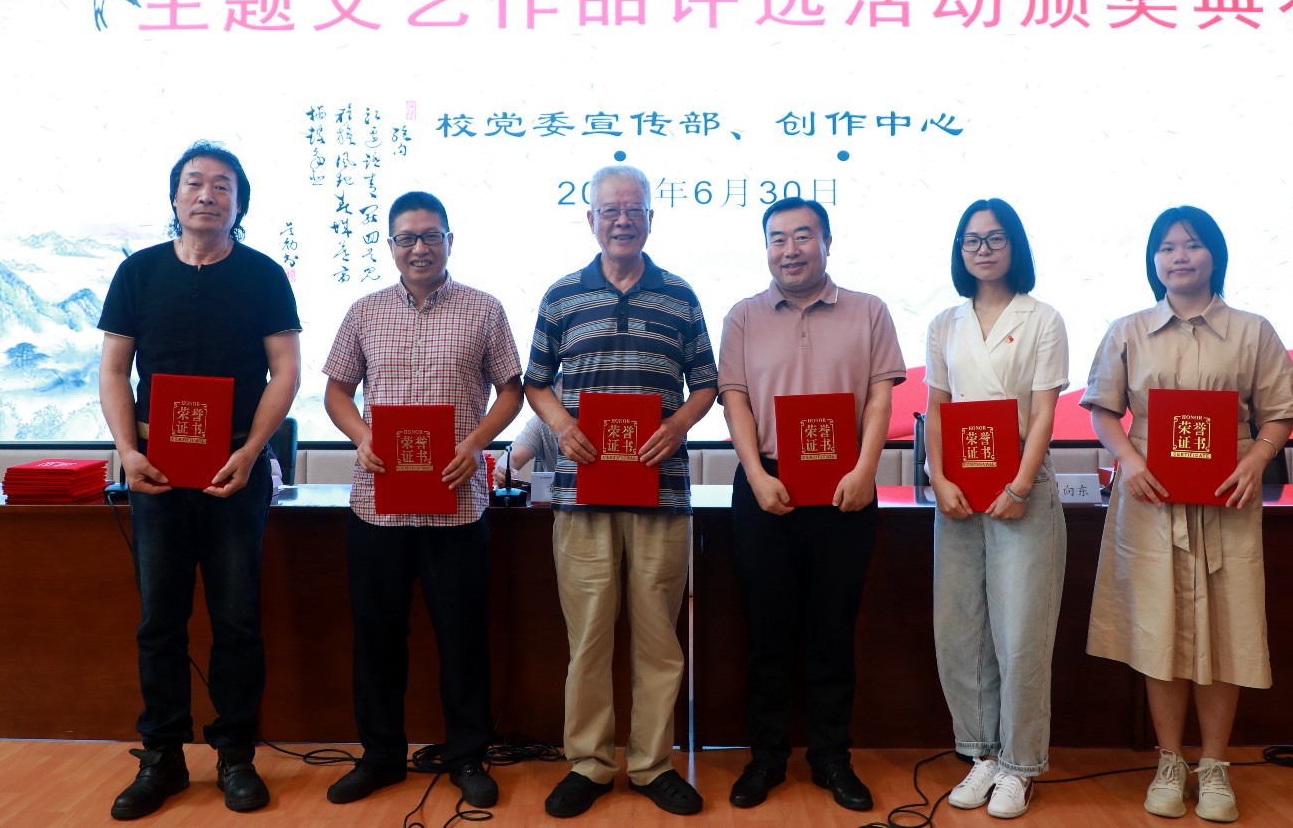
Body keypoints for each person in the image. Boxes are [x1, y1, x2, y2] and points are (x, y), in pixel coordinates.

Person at [1082, 206, 1293, 823]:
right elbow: (1102, 408)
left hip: (1226, 496)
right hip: (1151, 496)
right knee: (1159, 625)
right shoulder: (1128, 329)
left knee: (1225, 626)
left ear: (1215, 255)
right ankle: (1169, 760)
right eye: (1166, 247)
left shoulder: (1252, 330)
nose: (1178, 257)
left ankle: (1214, 766)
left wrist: (1257, 459)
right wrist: (1128, 459)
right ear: (1153, 261)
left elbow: (1281, 409)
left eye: (1191, 245)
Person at [97, 141, 302, 820]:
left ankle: (236, 755)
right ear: (174, 196)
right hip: (156, 470)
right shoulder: (138, 271)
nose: (207, 195)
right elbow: (114, 369)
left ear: (239, 203)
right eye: (194, 183)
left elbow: (286, 371)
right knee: (160, 619)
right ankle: (162, 757)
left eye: (222, 186)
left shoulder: (264, 275)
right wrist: (127, 451)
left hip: (234, 469)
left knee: (236, 618)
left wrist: (252, 452)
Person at [524, 164, 718, 819]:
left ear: (651, 218)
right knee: (588, 639)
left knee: (659, 638)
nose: (622, 220)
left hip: (661, 493)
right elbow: (535, 381)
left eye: (634, 209)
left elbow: (706, 383)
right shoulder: (561, 296)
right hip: (582, 494)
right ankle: (589, 763)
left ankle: (652, 764)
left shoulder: (680, 296)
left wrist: (678, 425)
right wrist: (561, 426)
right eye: (610, 210)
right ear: (591, 219)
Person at [321, 191, 524, 809]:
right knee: (376, 637)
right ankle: (381, 757)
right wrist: (362, 437)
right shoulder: (364, 311)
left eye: (430, 236)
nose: (419, 248)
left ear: (449, 241)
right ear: (390, 245)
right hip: (377, 505)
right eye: (406, 238)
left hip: (456, 504)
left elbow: (511, 392)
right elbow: (336, 392)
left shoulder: (484, 309)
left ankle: (467, 755)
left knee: (463, 637)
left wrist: (475, 444)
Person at [717, 197, 905, 813]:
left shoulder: (869, 310)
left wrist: (866, 469)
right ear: (766, 248)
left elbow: (879, 397)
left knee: (833, 628)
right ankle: (766, 757)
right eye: (777, 238)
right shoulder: (743, 316)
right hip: (766, 482)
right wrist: (755, 474)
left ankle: (831, 758)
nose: (790, 249)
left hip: (846, 482)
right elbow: (735, 400)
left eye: (803, 236)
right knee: (766, 630)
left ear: (827, 241)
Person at [924, 198, 1068, 820]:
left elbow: (1044, 413)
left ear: (1015, 246)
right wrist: (937, 478)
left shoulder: (1043, 318)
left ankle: (1020, 764)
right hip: (958, 492)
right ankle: (981, 752)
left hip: (1020, 491)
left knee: (1021, 633)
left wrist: (1020, 485)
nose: (982, 249)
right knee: (961, 629)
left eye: (994, 238)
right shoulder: (945, 323)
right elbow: (936, 410)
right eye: (971, 240)